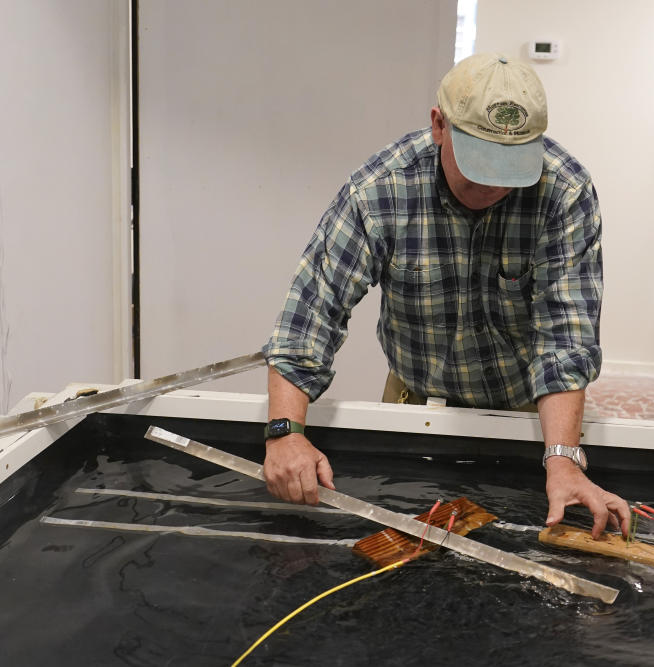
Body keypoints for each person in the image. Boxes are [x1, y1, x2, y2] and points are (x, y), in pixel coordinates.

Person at [260, 53, 629, 539]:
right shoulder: (379, 191)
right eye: (482, 164)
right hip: (417, 399)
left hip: (527, 412)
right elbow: (310, 316)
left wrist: (562, 459)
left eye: (510, 167)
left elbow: (566, 338)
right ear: (439, 126)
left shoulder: (564, 192)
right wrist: (285, 433)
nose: (495, 184)